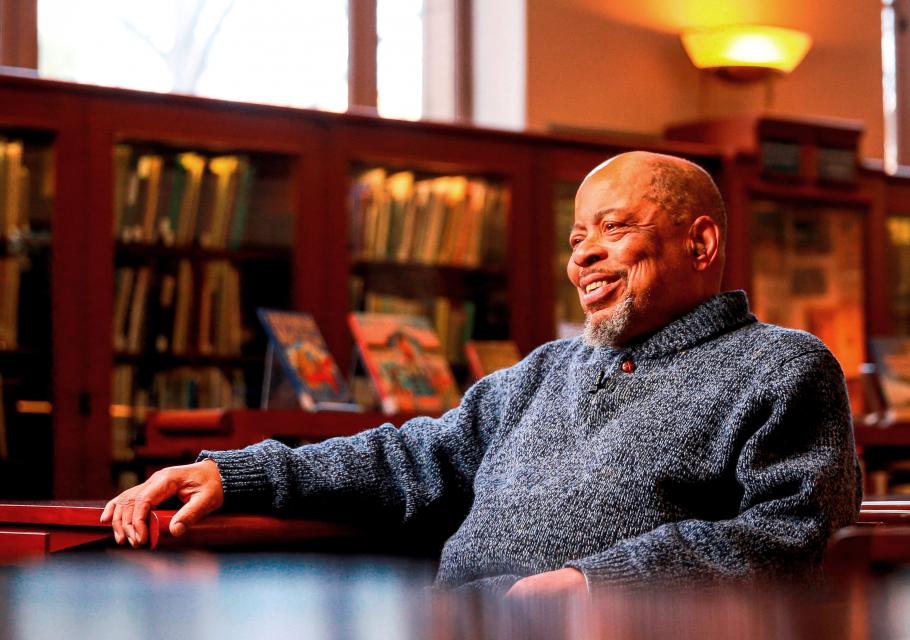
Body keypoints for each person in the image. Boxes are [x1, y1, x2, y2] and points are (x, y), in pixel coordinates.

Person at [102, 151, 861, 596]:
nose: (583, 255)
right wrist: (237, 476)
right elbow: (410, 458)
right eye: (575, 237)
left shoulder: (782, 367)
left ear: (700, 244)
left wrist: (595, 584)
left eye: (614, 229)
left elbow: (789, 537)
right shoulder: (544, 372)